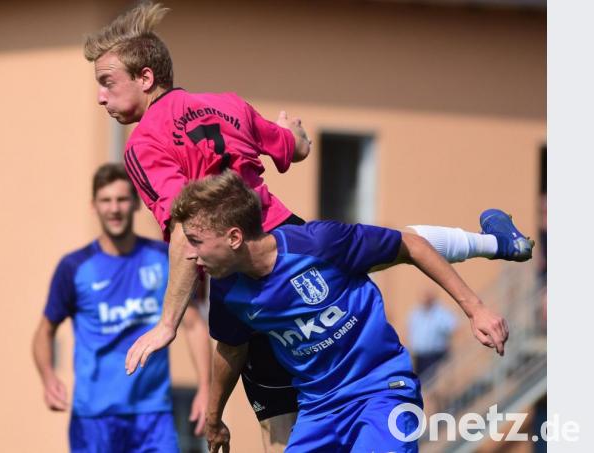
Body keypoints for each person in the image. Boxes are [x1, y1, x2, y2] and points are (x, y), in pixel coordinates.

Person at [83, 2, 532, 450]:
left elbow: (185, 230)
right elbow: (292, 148)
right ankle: (492, 241)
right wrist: (293, 134)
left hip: (243, 270)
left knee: (278, 417)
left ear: (145, 78)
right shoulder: (227, 105)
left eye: (107, 83)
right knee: (393, 248)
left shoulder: (142, 145)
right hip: (286, 237)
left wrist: (167, 323)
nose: (101, 97)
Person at [169, 171, 509, 452]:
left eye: (196, 242)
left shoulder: (319, 244)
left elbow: (412, 246)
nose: (191, 256)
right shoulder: (229, 288)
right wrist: (214, 420)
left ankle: (496, 243)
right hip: (319, 410)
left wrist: (475, 309)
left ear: (233, 237)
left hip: (381, 390)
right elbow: (231, 348)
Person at [31, 163, 211, 453]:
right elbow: (44, 331)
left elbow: (192, 324)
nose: (114, 209)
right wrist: (48, 376)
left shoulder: (162, 259)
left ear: (135, 203)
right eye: (106, 200)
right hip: (94, 416)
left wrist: (205, 388)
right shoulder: (75, 267)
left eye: (122, 199)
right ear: (94, 206)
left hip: (153, 414)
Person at [408, 291, 457, 378]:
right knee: (421, 380)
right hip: (419, 355)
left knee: (433, 380)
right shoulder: (416, 313)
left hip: (435, 354)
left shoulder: (441, 313)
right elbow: (410, 330)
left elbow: (453, 328)